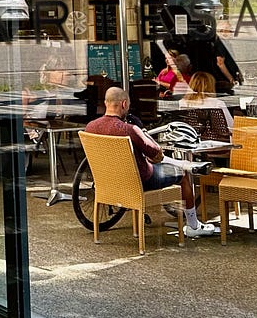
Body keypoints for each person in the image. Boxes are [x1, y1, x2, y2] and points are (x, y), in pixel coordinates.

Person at [84, 85, 218, 238]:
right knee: (183, 173)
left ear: (106, 103)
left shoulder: (90, 127)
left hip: (108, 182)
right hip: (141, 180)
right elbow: (156, 153)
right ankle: (194, 226)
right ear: (124, 104)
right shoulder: (129, 129)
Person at [178, 71, 233, 143]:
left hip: (192, 143)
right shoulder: (217, 103)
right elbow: (231, 127)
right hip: (218, 144)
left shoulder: (182, 103)